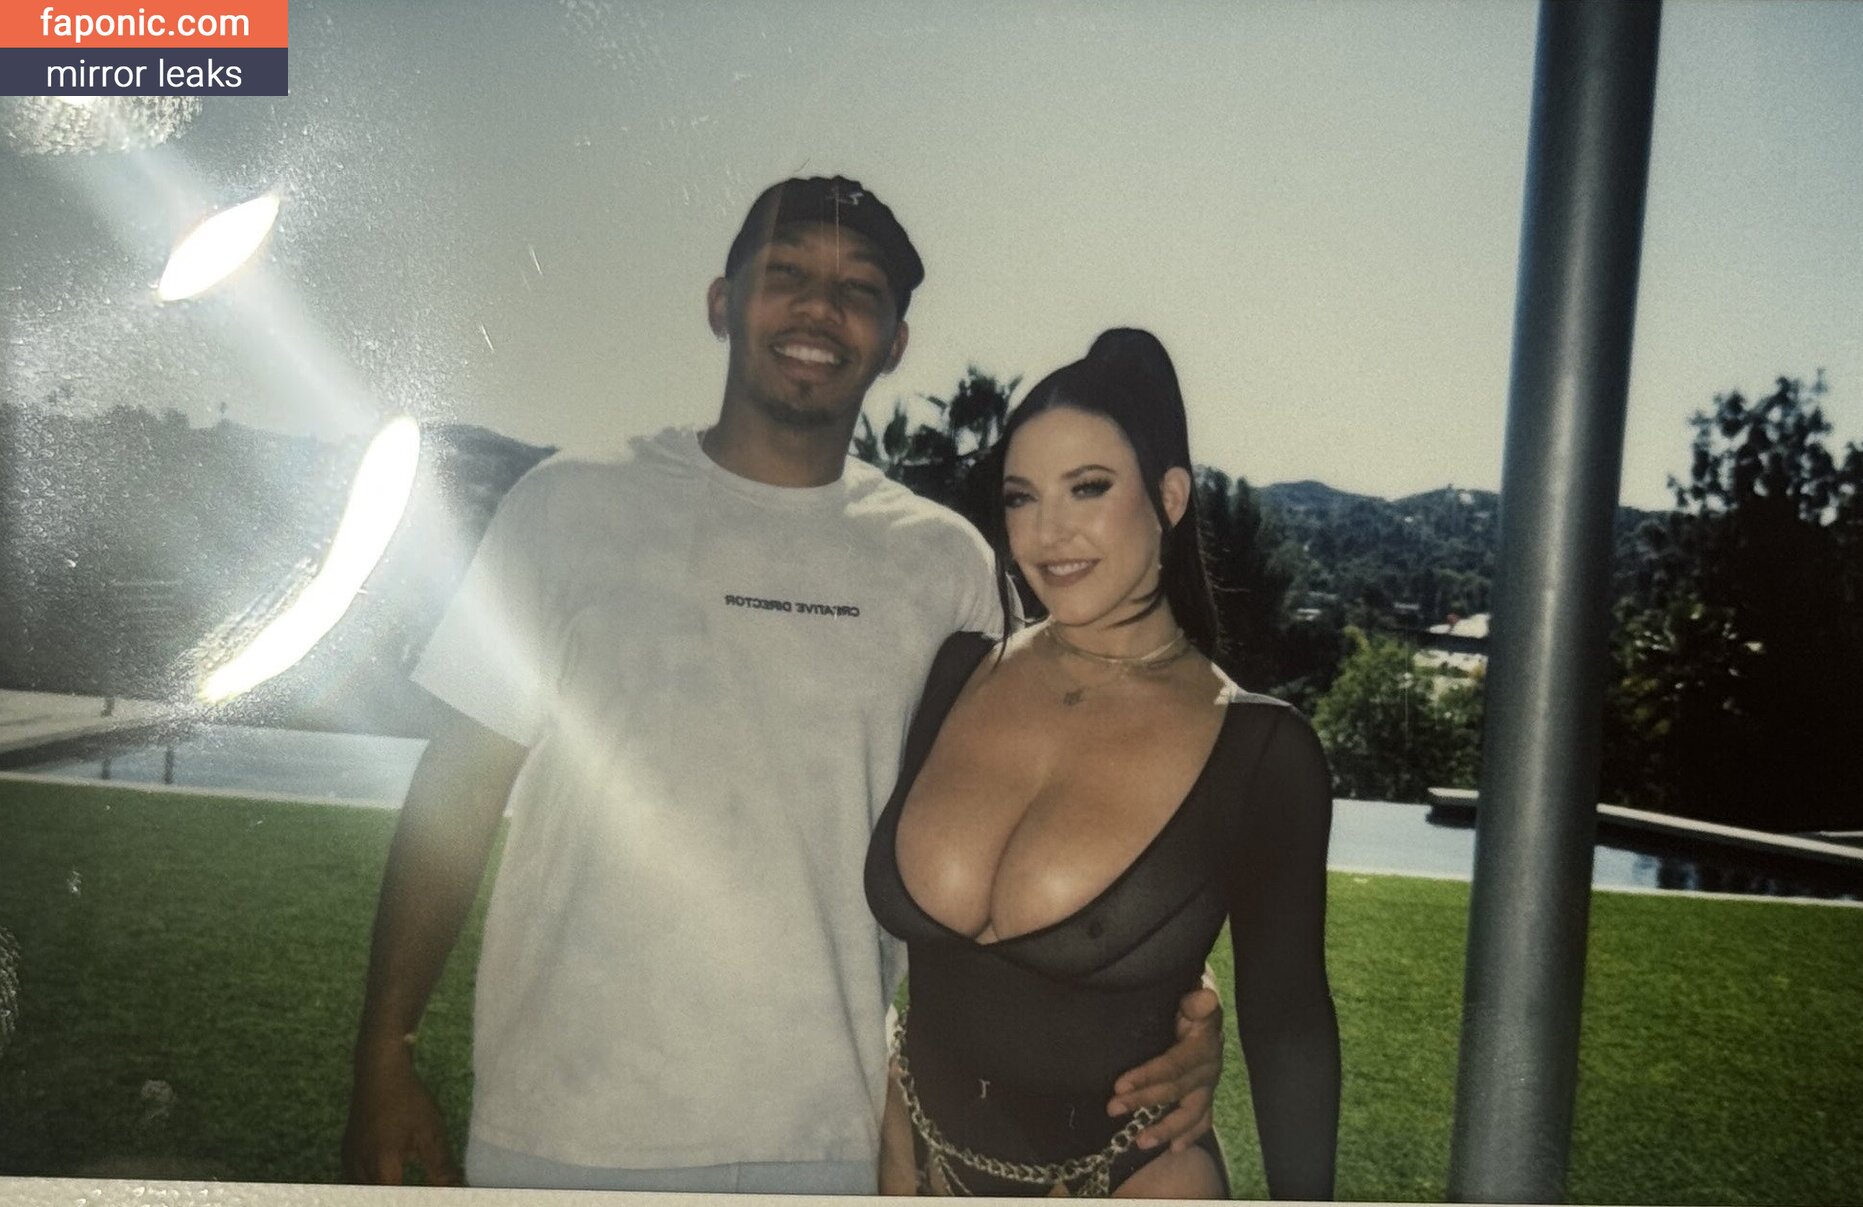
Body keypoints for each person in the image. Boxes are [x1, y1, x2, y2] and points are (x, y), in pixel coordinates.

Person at [340, 178, 1226, 1194]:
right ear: (724, 303)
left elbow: (1048, 808)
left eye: (859, 291)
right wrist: (385, 1051)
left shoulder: (944, 566)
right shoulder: (566, 508)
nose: (819, 308)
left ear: (895, 342)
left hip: (831, 1144)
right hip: (565, 1131)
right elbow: (456, 788)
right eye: (787, 273)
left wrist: (1181, 999)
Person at [865, 329, 1341, 1198]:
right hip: (913, 1163)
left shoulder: (1260, 752)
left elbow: (1290, 1029)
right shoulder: (958, 671)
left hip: (1127, 1182)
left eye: (1088, 487)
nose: (1049, 533)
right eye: (1021, 497)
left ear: (1169, 496)